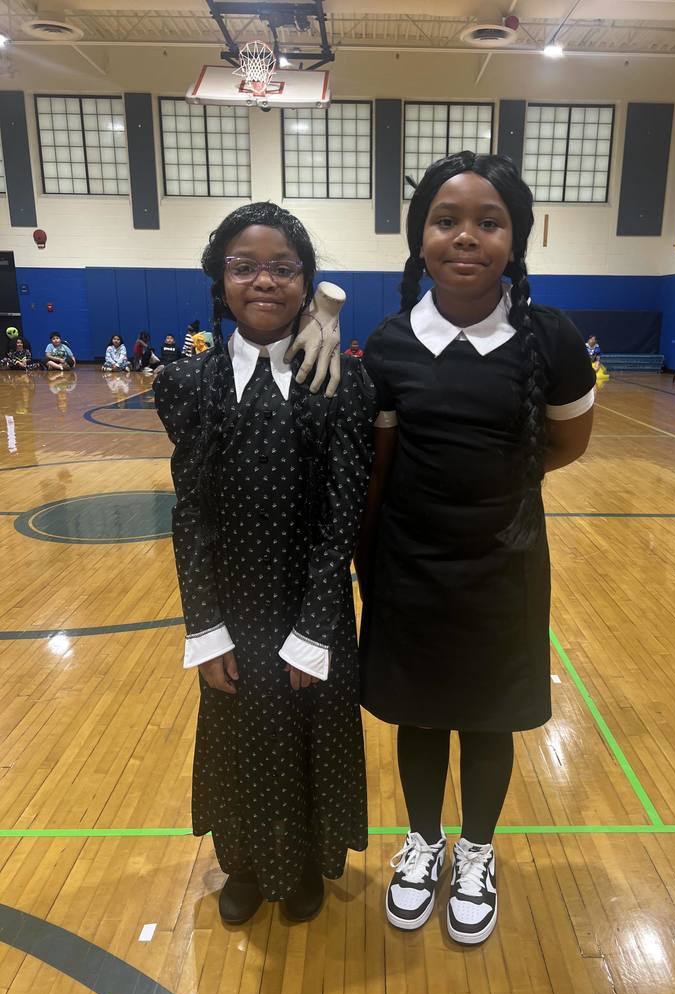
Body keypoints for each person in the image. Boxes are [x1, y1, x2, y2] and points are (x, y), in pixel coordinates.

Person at [356, 152, 595, 945]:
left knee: (489, 720)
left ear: (515, 239)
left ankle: (477, 852)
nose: (466, 236)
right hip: (411, 565)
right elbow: (379, 466)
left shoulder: (550, 337)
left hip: (505, 564)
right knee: (421, 718)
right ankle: (424, 842)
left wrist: (496, 491)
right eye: (446, 220)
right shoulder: (390, 343)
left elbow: (567, 444)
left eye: (488, 222)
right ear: (419, 237)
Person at [153, 202, 375, 927]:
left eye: (283, 267)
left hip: (311, 604)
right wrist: (204, 628)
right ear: (220, 280)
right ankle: (244, 865)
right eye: (244, 267)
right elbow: (191, 513)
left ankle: (305, 864)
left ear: (306, 281)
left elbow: (342, 516)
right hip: (233, 608)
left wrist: (315, 630)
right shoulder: (187, 384)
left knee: (308, 735)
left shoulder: (340, 382)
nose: (264, 281)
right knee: (239, 738)